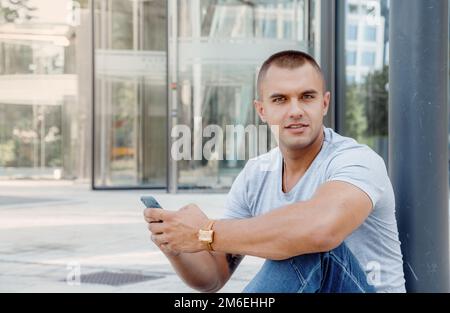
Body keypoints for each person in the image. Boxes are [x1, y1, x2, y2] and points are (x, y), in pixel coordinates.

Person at [143, 50, 406, 293]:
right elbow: (213, 277)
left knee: (307, 245)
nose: (295, 110)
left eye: (307, 97)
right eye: (280, 99)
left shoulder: (356, 160)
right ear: (262, 110)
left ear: (324, 104)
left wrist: (205, 231)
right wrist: (177, 242)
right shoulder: (256, 174)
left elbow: (320, 230)